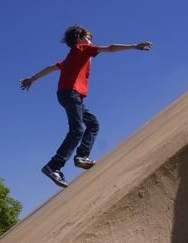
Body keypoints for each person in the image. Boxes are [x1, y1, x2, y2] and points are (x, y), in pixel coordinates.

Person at [20, 25, 152, 187]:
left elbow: (51, 68)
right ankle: (53, 166)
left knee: (93, 123)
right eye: (89, 37)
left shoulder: (70, 57)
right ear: (79, 38)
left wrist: (32, 79)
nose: (91, 41)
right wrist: (134, 46)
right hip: (71, 93)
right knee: (77, 130)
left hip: (68, 95)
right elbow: (110, 48)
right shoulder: (82, 49)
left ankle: (81, 156)